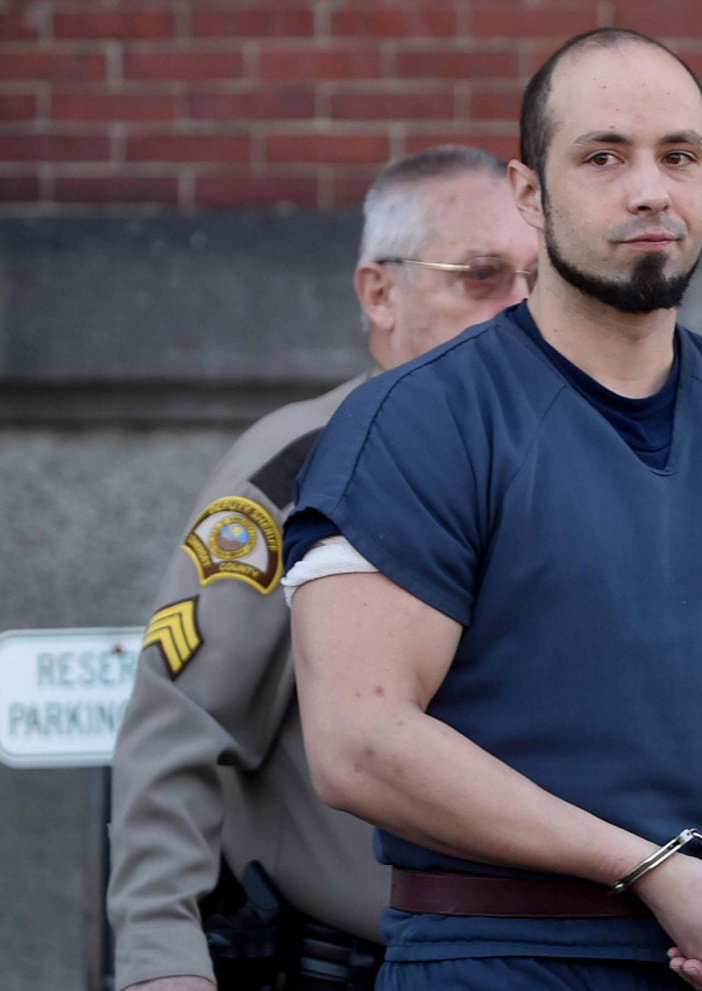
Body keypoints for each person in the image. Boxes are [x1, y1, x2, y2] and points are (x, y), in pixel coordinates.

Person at [283, 28, 702, 991]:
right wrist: (644, 864)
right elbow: (359, 740)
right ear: (530, 192)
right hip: (491, 960)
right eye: (604, 155)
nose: (651, 189)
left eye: (680, 156)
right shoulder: (422, 422)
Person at [106, 144, 539, 991]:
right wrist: (161, 961)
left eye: (537, 277)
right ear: (380, 292)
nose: (521, 309)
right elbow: (180, 727)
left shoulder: (564, 466)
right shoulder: (300, 468)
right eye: (481, 277)